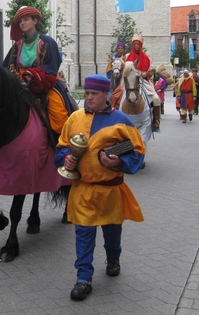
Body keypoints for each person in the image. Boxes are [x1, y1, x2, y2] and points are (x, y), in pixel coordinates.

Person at [54, 74, 145, 301]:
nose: (89, 98)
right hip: (83, 189)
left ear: (106, 95)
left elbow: (138, 152)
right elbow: (62, 147)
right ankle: (83, 278)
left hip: (110, 190)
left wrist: (119, 162)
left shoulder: (121, 120)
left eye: (94, 94)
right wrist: (65, 159)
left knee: (112, 231)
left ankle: (113, 258)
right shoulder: (74, 118)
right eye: (87, 94)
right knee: (83, 233)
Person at [2, 6, 73, 137]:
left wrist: (32, 77)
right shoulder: (18, 45)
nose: (23, 23)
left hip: (45, 83)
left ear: (35, 21)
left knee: (58, 112)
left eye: (26, 19)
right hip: (20, 84)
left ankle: (64, 141)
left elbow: (52, 66)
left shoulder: (47, 41)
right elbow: (6, 66)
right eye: (20, 21)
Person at [124, 35, 161, 131]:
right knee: (115, 96)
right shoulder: (127, 57)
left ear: (141, 45)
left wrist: (147, 74)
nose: (136, 46)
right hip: (129, 81)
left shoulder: (146, 58)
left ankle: (156, 120)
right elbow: (123, 70)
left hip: (143, 81)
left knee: (156, 99)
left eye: (138, 44)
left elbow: (149, 73)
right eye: (134, 44)